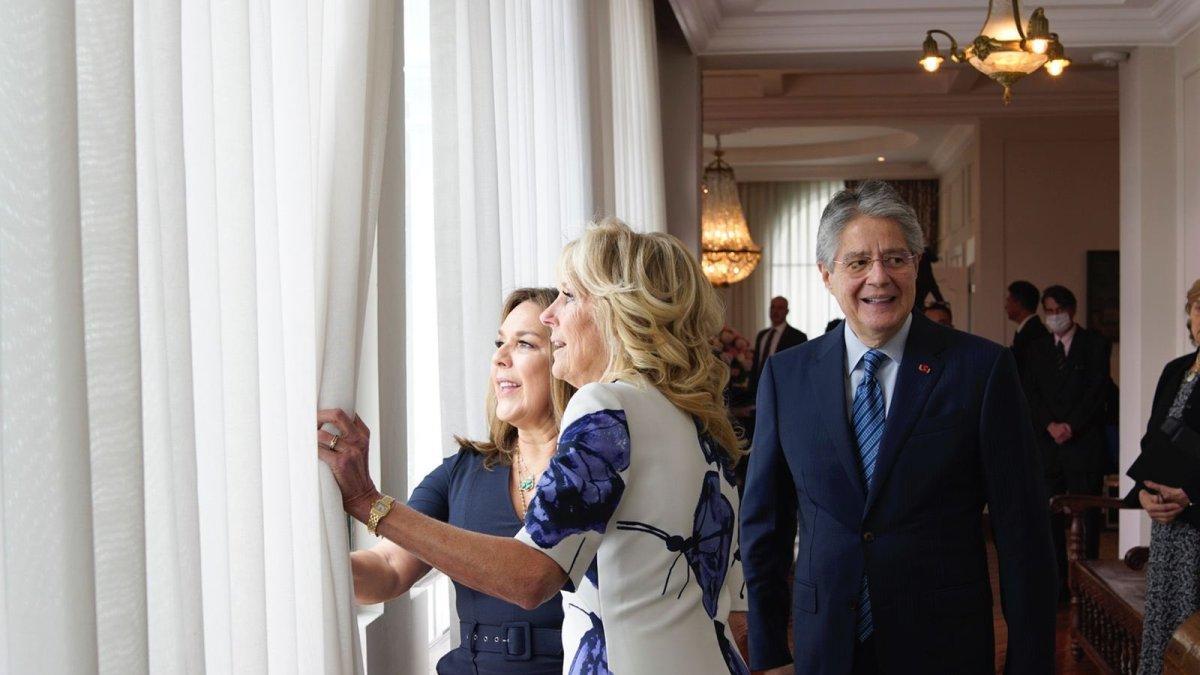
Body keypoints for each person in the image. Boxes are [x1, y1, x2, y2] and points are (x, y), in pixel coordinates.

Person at [319, 219, 750, 674]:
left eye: (568, 295)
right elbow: (734, 611)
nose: (551, 315)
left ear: (616, 309)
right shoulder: (700, 426)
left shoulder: (606, 405)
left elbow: (531, 578)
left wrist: (368, 501)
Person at [740, 180, 1056, 674]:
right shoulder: (786, 376)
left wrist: (1029, 664)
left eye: (896, 259)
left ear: (917, 266)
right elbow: (765, 528)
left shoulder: (981, 369)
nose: (879, 278)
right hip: (824, 646)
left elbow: (1024, 533)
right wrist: (768, 653)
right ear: (826, 274)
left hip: (943, 645)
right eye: (858, 262)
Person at [346, 288, 572, 673]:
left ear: (564, 359)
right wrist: (308, 563)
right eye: (500, 343)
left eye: (524, 344)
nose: (500, 358)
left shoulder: (597, 470)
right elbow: (389, 569)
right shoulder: (461, 472)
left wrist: (367, 499)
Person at [1023, 285, 1112, 584]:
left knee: (1087, 518)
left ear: (1071, 310)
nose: (1053, 316)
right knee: (1050, 518)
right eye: (1047, 311)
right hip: (1048, 448)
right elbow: (1030, 393)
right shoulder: (1036, 348)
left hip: (1083, 444)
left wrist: (1071, 425)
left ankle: (1089, 583)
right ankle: (1058, 584)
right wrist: (1050, 424)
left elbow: (1096, 392)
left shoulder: (1095, 344)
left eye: (1058, 310)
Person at [1134, 279, 1200, 674]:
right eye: (1198, 308)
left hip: (1196, 519)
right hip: (1167, 529)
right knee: (1166, 630)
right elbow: (1151, 442)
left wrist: (1190, 496)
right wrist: (1143, 493)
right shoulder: (1175, 370)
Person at [752, 296, 807, 384]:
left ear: (787, 311)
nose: (775, 311)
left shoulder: (798, 337)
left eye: (780, 308)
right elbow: (755, 366)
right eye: (773, 307)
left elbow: (800, 367)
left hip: (784, 387)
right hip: (759, 388)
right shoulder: (762, 335)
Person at [1006, 280, 1048, 378]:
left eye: (1009, 301)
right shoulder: (1027, 330)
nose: (1006, 306)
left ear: (1018, 303)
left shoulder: (1035, 332)